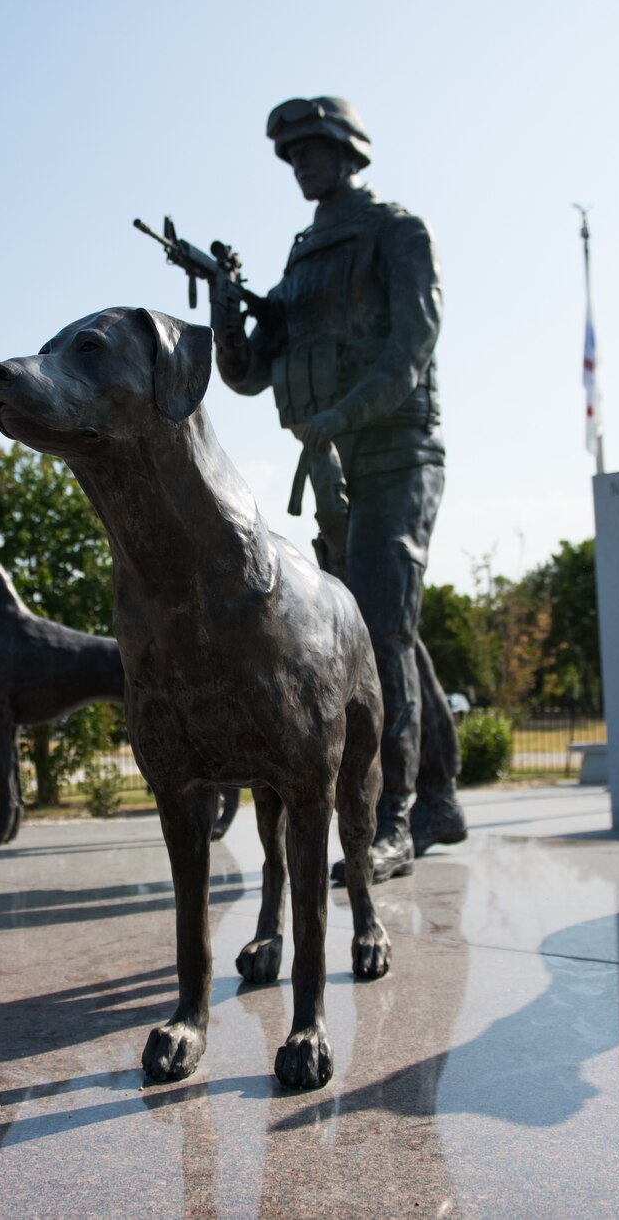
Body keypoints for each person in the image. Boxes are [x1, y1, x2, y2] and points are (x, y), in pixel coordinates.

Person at [210, 95, 466, 883]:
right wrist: (226, 303)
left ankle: (391, 821)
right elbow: (248, 374)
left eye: (312, 150)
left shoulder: (397, 231)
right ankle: (442, 795)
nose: (300, 166)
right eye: (290, 157)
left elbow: (413, 346)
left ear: (349, 150)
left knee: (382, 625)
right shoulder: (300, 258)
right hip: (332, 466)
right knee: (385, 624)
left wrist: (341, 414)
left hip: (395, 450)